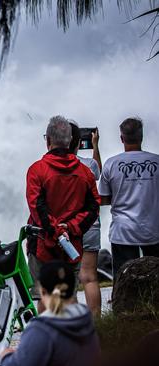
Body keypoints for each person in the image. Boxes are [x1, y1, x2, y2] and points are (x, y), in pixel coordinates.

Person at [25, 116, 100, 313]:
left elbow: (37, 207)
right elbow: (93, 208)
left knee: (45, 295)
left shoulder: (37, 170)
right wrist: (71, 227)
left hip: (42, 244)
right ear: (69, 141)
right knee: (70, 296)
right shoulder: (85, 173)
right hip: (72, 246)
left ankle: (48, 338)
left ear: (48, 140)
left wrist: (57, 231)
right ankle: (71, 338)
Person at [0, 261, 101, 366]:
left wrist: (6, 357)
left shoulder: (40, 330)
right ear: (72, 289)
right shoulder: (85, 317)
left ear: (43, 291)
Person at [99, 117, 159, 278]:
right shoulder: (157, 161)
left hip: (123, 231)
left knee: (124, 281)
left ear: (122, 138)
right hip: (154, 230)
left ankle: (123, 304)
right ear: (142, 136)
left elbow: (103, 200)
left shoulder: (111, 164)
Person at [69, 122, 102, 317]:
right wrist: (95, 145)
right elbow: (97, 169)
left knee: (67, 279)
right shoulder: (88, 165)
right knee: (89, 277)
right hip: (89, 225)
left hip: (66, 229)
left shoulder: (52, 166)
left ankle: (73, 327)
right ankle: (97, 324)